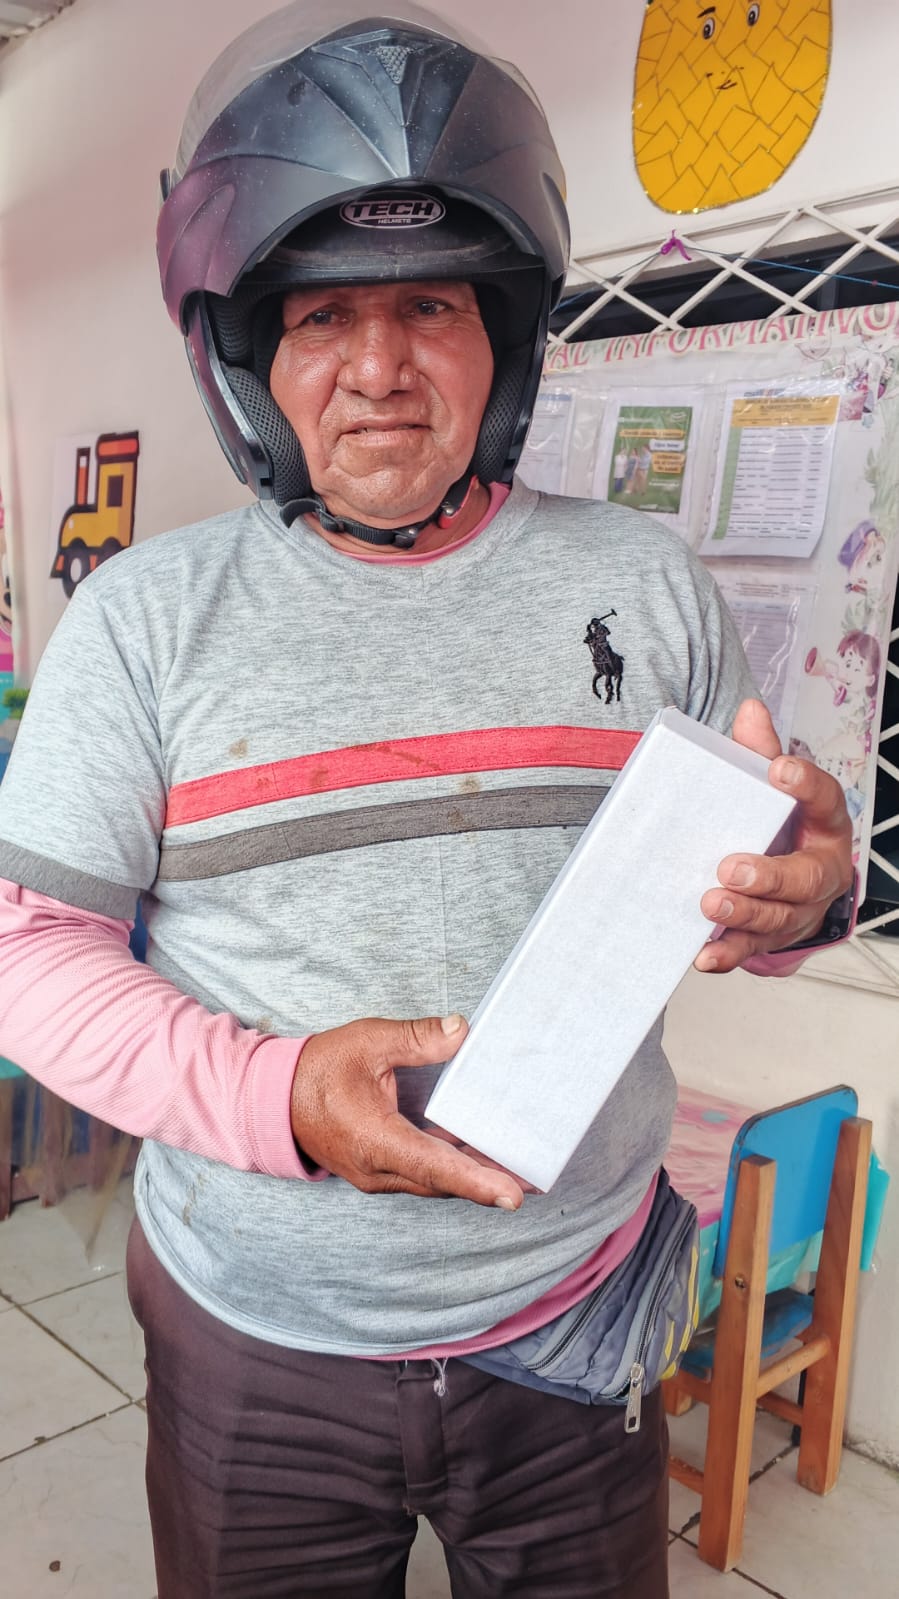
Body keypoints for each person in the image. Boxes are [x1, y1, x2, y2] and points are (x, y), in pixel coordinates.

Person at [0, 5, 853, 1596]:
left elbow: (762, 873)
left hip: (580, 1318)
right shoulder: (141, 624)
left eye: (431, 305)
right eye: (323, 313)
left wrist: (814, 889)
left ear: (504, 340)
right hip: (263, 1345)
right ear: (245, 353)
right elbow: (27, 955)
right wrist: (276, 1099)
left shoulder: (647, 584)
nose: (381, 368)